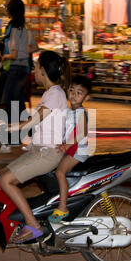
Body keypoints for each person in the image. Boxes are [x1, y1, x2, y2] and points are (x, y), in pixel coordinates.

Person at [0, 50, 70, 243]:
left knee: (5, 180)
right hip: (38, 150)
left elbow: (37, 118)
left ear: (43, 71)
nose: (34, 70)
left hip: (46, 155)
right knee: (2, 174)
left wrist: (13, 127)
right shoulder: (50, 93)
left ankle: (33, 226)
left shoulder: (55, 93)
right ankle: (15, 220)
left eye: (36, 67)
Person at [48, 75, 91, 223]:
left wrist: (65, 145)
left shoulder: (81, 112)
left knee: (60, 172)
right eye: (72, 90)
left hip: (78, 150)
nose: (74, 95)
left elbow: (81, 133)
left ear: (87, 97)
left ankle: (63, 207)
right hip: (70, 147)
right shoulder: (68, 110)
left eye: (79, 93)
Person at [0, 0, 38, 121]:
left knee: (11, 102)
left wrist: (3, 57)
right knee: (19, 102)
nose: (5, 10)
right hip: (24, 69)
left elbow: (13, 54)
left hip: (15, 68)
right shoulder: (25, 28)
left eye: (7, 8)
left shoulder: (14, 29)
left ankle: (14, 134)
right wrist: (24, 51)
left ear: (11, 11)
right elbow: (34, 47)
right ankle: (27, 130)